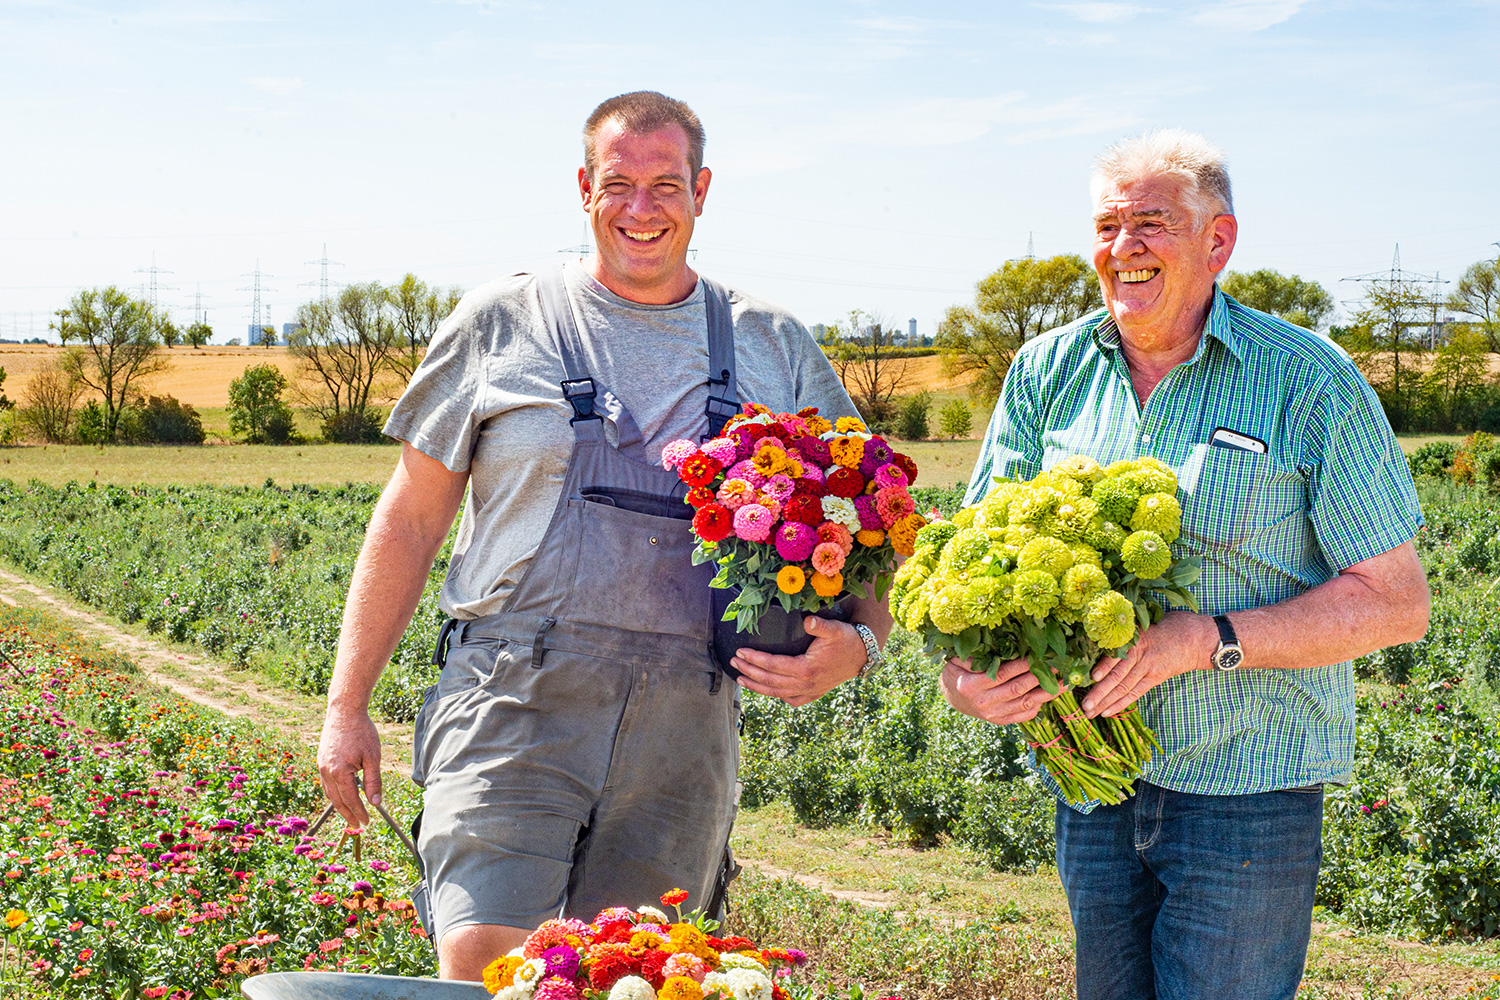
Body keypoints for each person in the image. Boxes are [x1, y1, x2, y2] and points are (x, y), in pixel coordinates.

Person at [314, 91, 891, 982]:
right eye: (618, 183)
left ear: (703, 192)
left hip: (683, 723)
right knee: (487, 965)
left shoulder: (770, 344)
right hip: (513, 695)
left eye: (666, 185)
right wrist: (346, 704)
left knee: (640, 980)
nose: (641, 208)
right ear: (584, 188)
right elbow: (411, 516)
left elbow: (872, 517)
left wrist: (861, 639)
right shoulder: (503, 320)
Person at [940, 129, 1429, 1000]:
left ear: (1219, 242)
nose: (1123, 248)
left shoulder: (1307, 379)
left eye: (1151, 224)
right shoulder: (1047, 370)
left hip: (1247, 794)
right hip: (1089, 783)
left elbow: (1395, 604)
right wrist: (966, 679)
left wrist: (1204, 638)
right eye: (1106, 227)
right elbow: (971, 559)